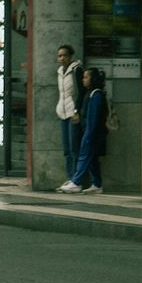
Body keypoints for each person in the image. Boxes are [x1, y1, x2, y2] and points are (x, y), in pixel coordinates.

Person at [57, 68, 108, 194]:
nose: (83, 80)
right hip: (93, 133)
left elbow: (93, 118)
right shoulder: (92, 93)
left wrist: (88, 135)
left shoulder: (95, 95)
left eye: (86, 77)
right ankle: (97, 184)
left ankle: (76, 182)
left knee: (84, 156)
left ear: (92, 79)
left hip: (92, 133)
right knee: (91, 159)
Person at [54, 44, 83, 183]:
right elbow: (61, 94)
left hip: (73, 113)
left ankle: (76, 179)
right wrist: (59, 108)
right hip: (63, 113)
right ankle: (69, 177)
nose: (62, 58)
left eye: (65, 55)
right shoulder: (60, 71)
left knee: (74, 148)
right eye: (60, 56)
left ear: (70, 56)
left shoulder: (76, 70)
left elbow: (81, 92)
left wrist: (77, 110)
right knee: (66, 149)